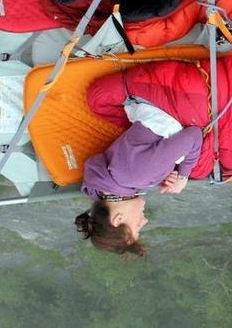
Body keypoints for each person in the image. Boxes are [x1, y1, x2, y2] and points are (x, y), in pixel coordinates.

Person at [74, 97, 203, 255]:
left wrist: (183, 177)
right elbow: (142, 159)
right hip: (143, 105)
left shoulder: (136, 176)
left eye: (137, 227)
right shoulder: (106, 183)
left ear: (118, 219)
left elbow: (194, 135)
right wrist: (162, 174)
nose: (145, 221)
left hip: (170, 103)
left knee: (204, 168)